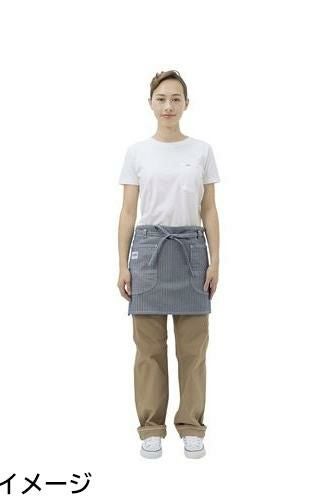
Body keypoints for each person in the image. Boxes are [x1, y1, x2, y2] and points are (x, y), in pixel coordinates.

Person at [117, 70, 220, 459]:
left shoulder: (202, 151)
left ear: (186, 104)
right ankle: (150, 427)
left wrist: (215, 261)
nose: (168, 106)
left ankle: (192, 426)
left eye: (176, 99)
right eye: (161, 99)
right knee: (148, 350)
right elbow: (128, 212)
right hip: (149, 249)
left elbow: (209, 210)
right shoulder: (137, 152)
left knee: (193, 350)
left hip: (191, 248)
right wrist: (122, 264)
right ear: (150, 104)